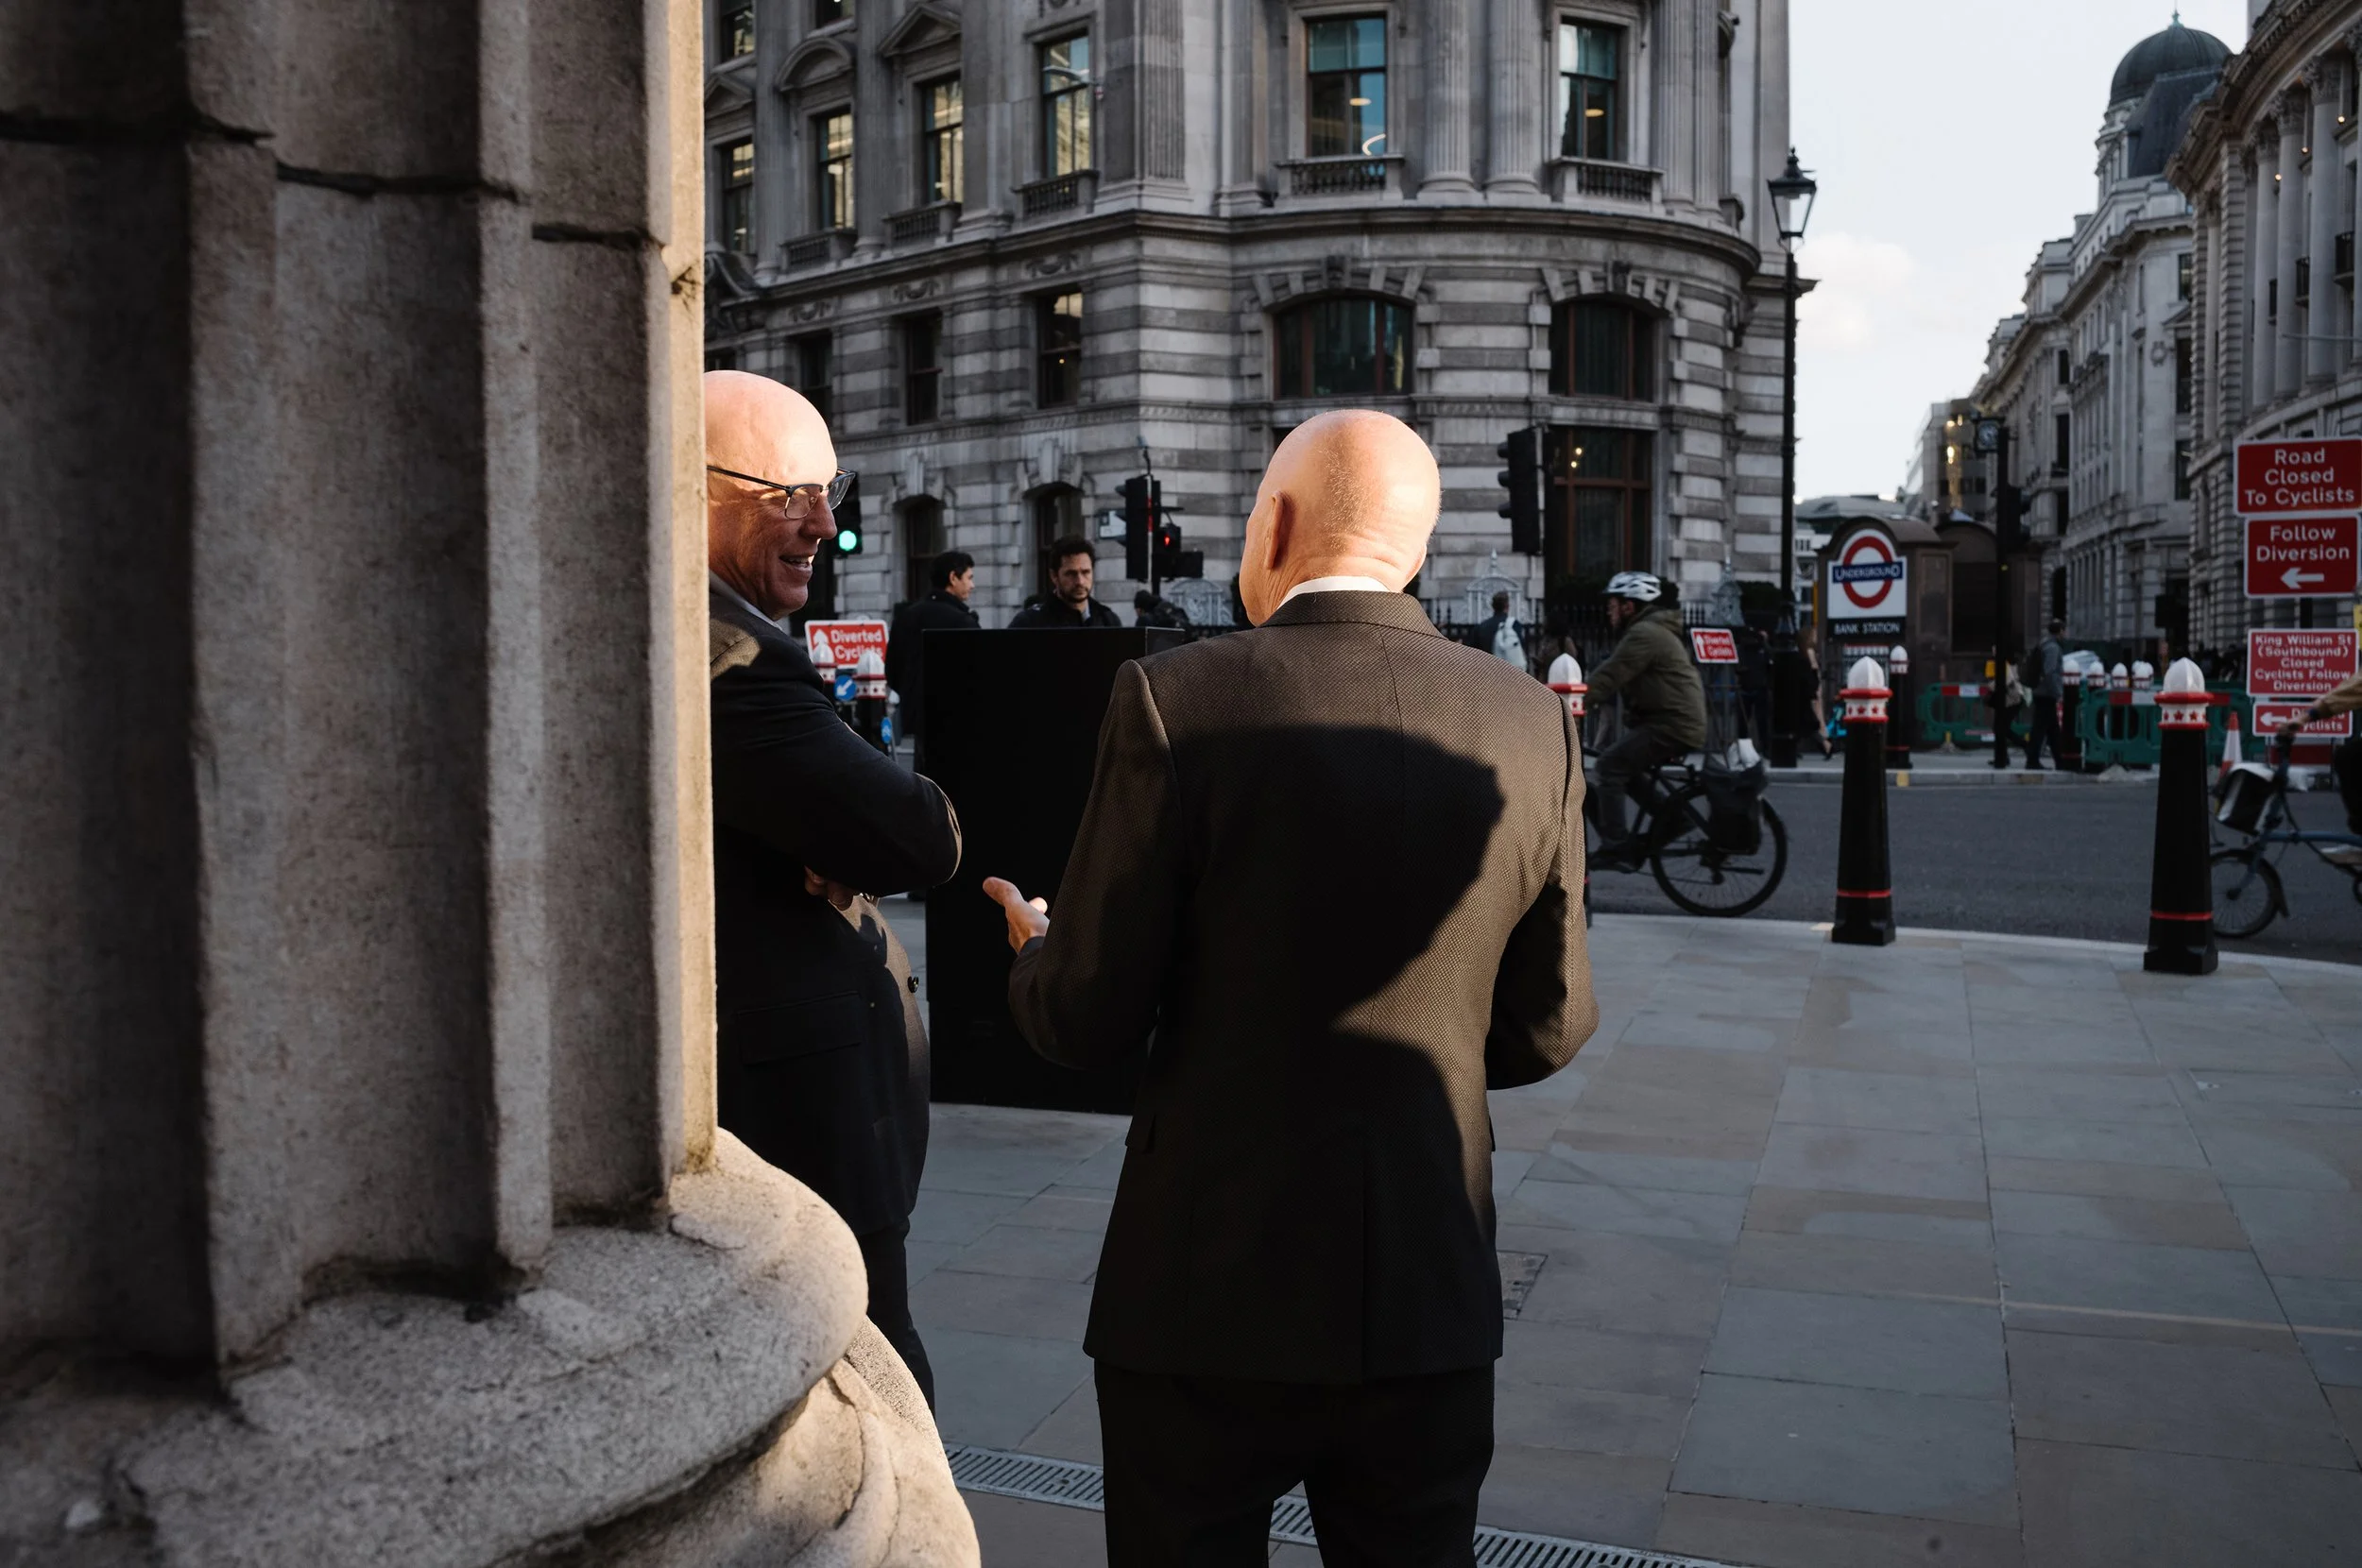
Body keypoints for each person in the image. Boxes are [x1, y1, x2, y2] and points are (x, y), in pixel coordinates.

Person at [980, 411, 1595, 1566]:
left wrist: (1036, 951)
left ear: (1275, 524)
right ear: (1416, 546)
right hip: (1424, 1275)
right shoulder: (1530, 721)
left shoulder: (1174, 697)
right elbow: (1548, 1022)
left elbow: (1084, 1015)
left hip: (1204, 1283)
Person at [702, 370, 962, 1405]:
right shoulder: (732, 659)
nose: (821, 522)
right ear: (691, 488)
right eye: (788, 494)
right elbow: (921, 835)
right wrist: (868, 819)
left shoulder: (730, 637)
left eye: (829, 491)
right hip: (796, 1127)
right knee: (870, 1385)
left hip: (788, 1116)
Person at [1584, 571, 1707, 871]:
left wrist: (1564, 704)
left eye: (1613, 605)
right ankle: (1673, 818)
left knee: (1609, 766)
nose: (1609, 612)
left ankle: (1616, 847)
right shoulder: (1650, 630)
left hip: (1672, 724)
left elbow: (1610, 675)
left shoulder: (1644, 634)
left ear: (1629, 606)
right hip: (1673, 721)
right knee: (1625, 768)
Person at [886, 548, 981, 758]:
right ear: (953, 578)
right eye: (969, 578)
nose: (972, 585)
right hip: (957, 721)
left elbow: (892, 670)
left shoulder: (907, 616)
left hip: (917, 719)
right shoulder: (963, 622)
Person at [1011, 536, 1123, 627]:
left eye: (1086, 572)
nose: (1080, 581)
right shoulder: (1029, 622)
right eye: (1071, 574)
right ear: (1054, 576)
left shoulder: (1108, 620)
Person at [2023, 620, 2066, 770]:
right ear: (2060, 631)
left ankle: (2059, 760)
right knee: (2040, 729)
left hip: (2041, 692)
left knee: (2051, 729)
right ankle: (2033, 760)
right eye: (2064, 630)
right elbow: (2050, 672)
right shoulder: (2053, 648)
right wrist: (2058, 692)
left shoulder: (2044, 644)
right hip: (2046, 693)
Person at [1462, 588, 1528, 669]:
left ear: (1493, 606)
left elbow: (1473, 652)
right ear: (1507, 606)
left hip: (1487, 670)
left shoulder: (1481, 627)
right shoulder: (1514, 625)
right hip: (1509, 671)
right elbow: (1522, 647)